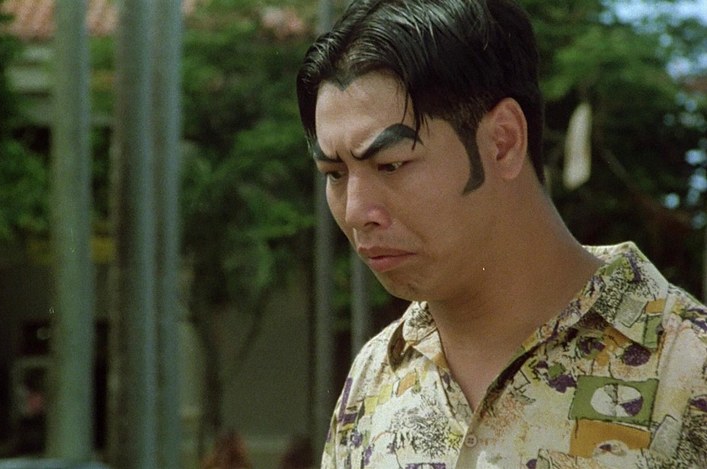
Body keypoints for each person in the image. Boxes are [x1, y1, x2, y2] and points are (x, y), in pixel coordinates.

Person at [295, 0, 707, 467]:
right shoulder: (375, 376)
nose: (356, 211)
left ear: (503, 141)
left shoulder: (688, 369)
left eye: (390, 165)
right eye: (335, 174)